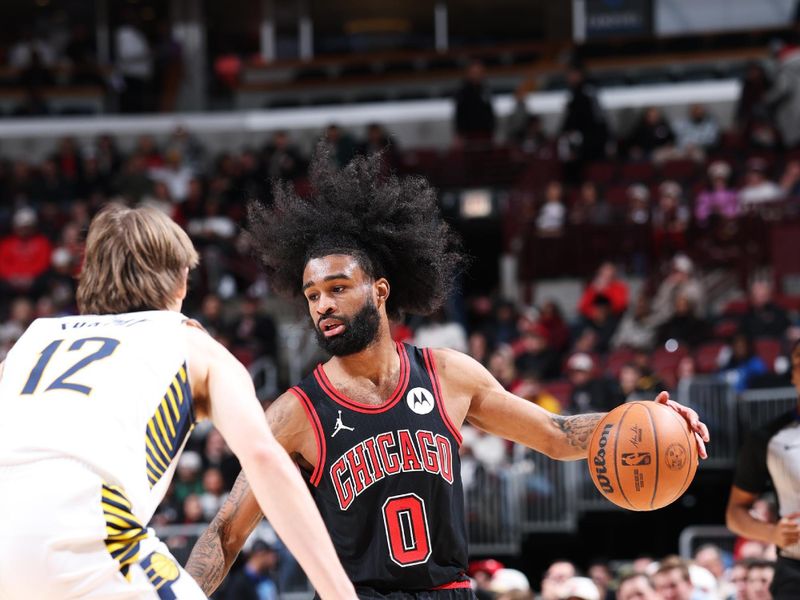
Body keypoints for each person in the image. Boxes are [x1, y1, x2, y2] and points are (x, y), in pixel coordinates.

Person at [185, 149, 708, 597]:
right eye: (313, 294)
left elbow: (555, 435)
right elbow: (225, 534)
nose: (323, 304)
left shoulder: (449, 376)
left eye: (339, 287)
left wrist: (634, 418)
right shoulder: (296, 413)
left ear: (381, 290)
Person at [0, 204, 355, 600]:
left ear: (89, 275)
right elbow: (266, 461)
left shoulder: (30, 341)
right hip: (90, 534)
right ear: (181, 281)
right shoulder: (191, 344)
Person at [726, 339, 800, 600]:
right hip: (794, 571)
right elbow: (735, 513)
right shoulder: (766, 438)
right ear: (793, 374)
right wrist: (772, 533)